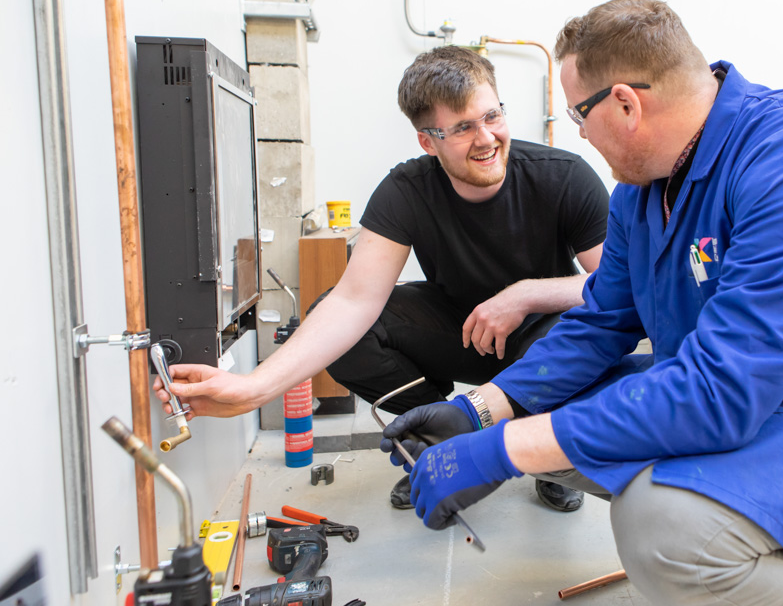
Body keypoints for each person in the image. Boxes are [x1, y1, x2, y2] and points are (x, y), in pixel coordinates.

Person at [381, 0, 783, 605]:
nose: (581, 136)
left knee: (663, 526)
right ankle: (751, 525)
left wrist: (503, 450)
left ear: (624, 103)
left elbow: (722, 390)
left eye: (578, 118)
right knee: (549, 404)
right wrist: (483, 412)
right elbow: (600, 322)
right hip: (761, 398)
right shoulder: (641, 193)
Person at [154, 46, 610, 513]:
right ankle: (439, 435)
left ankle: (545, 448)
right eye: (461, 128)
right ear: (427, 142)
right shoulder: (407, 190)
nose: (486, 138)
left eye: (491, 116)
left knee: (574, 332)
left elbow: (620, 287)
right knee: (346, 329)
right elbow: (352, 303)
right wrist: (251, 390)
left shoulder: (563, 178)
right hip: (461, 332)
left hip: (540, 340)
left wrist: (526, 294)